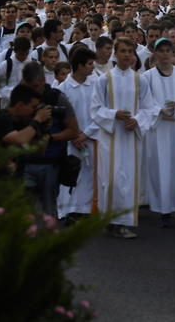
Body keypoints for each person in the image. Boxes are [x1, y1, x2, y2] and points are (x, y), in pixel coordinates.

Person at [90, 36, 155, 239]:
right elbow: (95, 108)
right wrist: (113, 115)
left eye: (130, 51)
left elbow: (149, 108)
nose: (127, 55)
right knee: (111, 180)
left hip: (130, 137)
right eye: (123, 51)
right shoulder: (105, 79)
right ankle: (109, 220)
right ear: (115, 53)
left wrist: (137, 120)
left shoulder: (140, 79)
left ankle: (122, 223)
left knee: (129, 180)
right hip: (110, 136)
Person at [141, 38, 175, 227]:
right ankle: (164, 210)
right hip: (159, 129)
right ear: (155, 53)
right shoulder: (148, 77)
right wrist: (160, 110)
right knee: (160, 169)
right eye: (160, 50)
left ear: (172, 52)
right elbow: (145, 102)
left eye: (168, 50)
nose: (164, 54)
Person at [20, 62, 80, 217]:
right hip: (24, 164)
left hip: (50, 165)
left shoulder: (57, 98)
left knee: (48, 213)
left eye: (34, 85)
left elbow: (73, 130)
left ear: (42, 81)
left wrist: (51, 138)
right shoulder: (19, 98)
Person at [55, 46, 98, 221]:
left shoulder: (95, 84)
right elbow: (60, 117)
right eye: (89, 64)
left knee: (89, 173)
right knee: (69, 173)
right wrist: (73, 135)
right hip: (71, 140)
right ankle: (67, 211)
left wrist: (86, 134)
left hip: (90, 137)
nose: (92, 67)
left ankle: (84, 209)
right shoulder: (64, 89)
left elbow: (99, 112)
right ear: (79, 66)